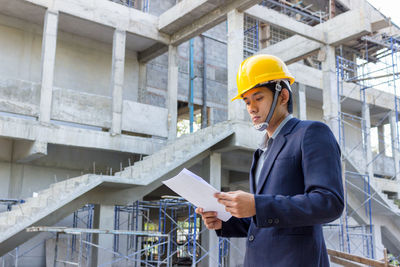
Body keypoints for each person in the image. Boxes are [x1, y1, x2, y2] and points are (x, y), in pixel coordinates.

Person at [196, 54, 344, 266]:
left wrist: (257, 205)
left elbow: (329, 202)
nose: (251, 108)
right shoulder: (262, 151)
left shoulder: (311, 133)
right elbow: (265, 221)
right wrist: (225, 222)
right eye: (247, 101)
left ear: (283, 96)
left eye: (258, 98)